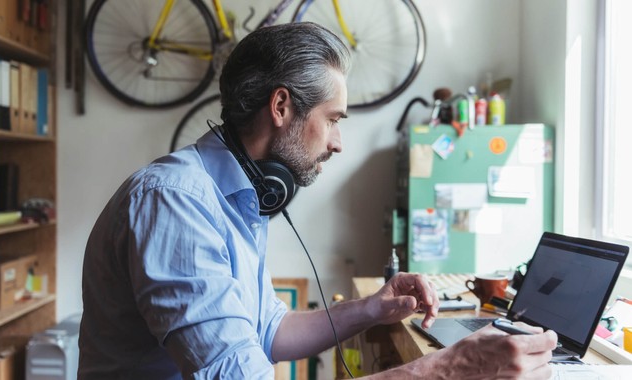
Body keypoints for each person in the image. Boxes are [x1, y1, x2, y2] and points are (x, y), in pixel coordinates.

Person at [78, 22, 557, 379]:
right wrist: (451, 366)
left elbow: (268, 331)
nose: (338, 142)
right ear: (281, 107)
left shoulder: (240, 195)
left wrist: (373, 308)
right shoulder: (177, 203)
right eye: (333, 119)